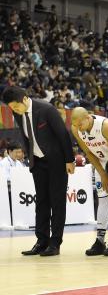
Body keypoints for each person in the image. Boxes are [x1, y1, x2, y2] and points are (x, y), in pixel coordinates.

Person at [2, 86, 75, 256]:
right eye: (12, 108)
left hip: (57, 162)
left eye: (16, 106)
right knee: (41, 202)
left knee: (57, 203)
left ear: (25, 99)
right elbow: (26, 136)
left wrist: (69, 160)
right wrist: (31, 160)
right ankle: (41, 241)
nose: (15, 110)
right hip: (38, 163)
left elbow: (63, 135)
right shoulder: (17, 113)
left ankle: (55, 243)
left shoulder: (47, 110)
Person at [71, 107, 108, 256]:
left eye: (80, 125)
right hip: (100, 163)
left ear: (88, 117)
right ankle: (100, 241)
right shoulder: (76, 129)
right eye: (75, 125)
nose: (78, 128)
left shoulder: (106, 126)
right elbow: (88, 152)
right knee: (102, 200)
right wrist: (102, 173)